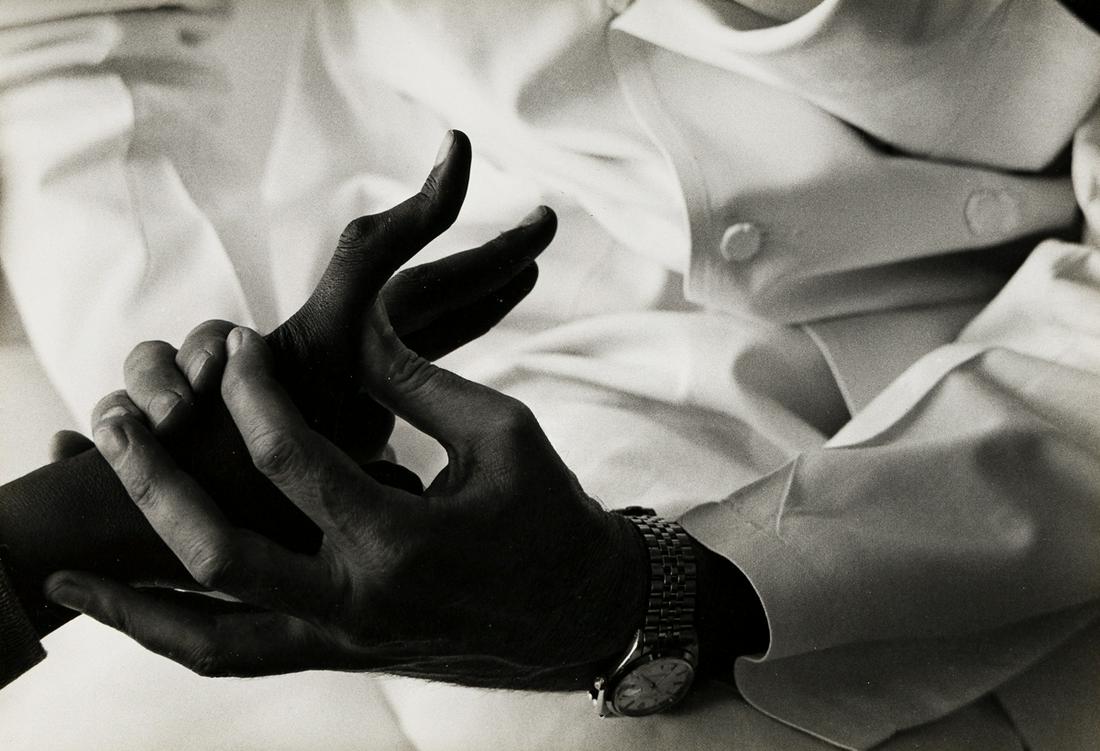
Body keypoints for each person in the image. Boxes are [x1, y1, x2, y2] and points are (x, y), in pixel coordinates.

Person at [2, 1, 1100, 749]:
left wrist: (666, 596)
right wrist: (223, 430)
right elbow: (60, 26)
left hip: (946, 384)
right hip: (375, 315)